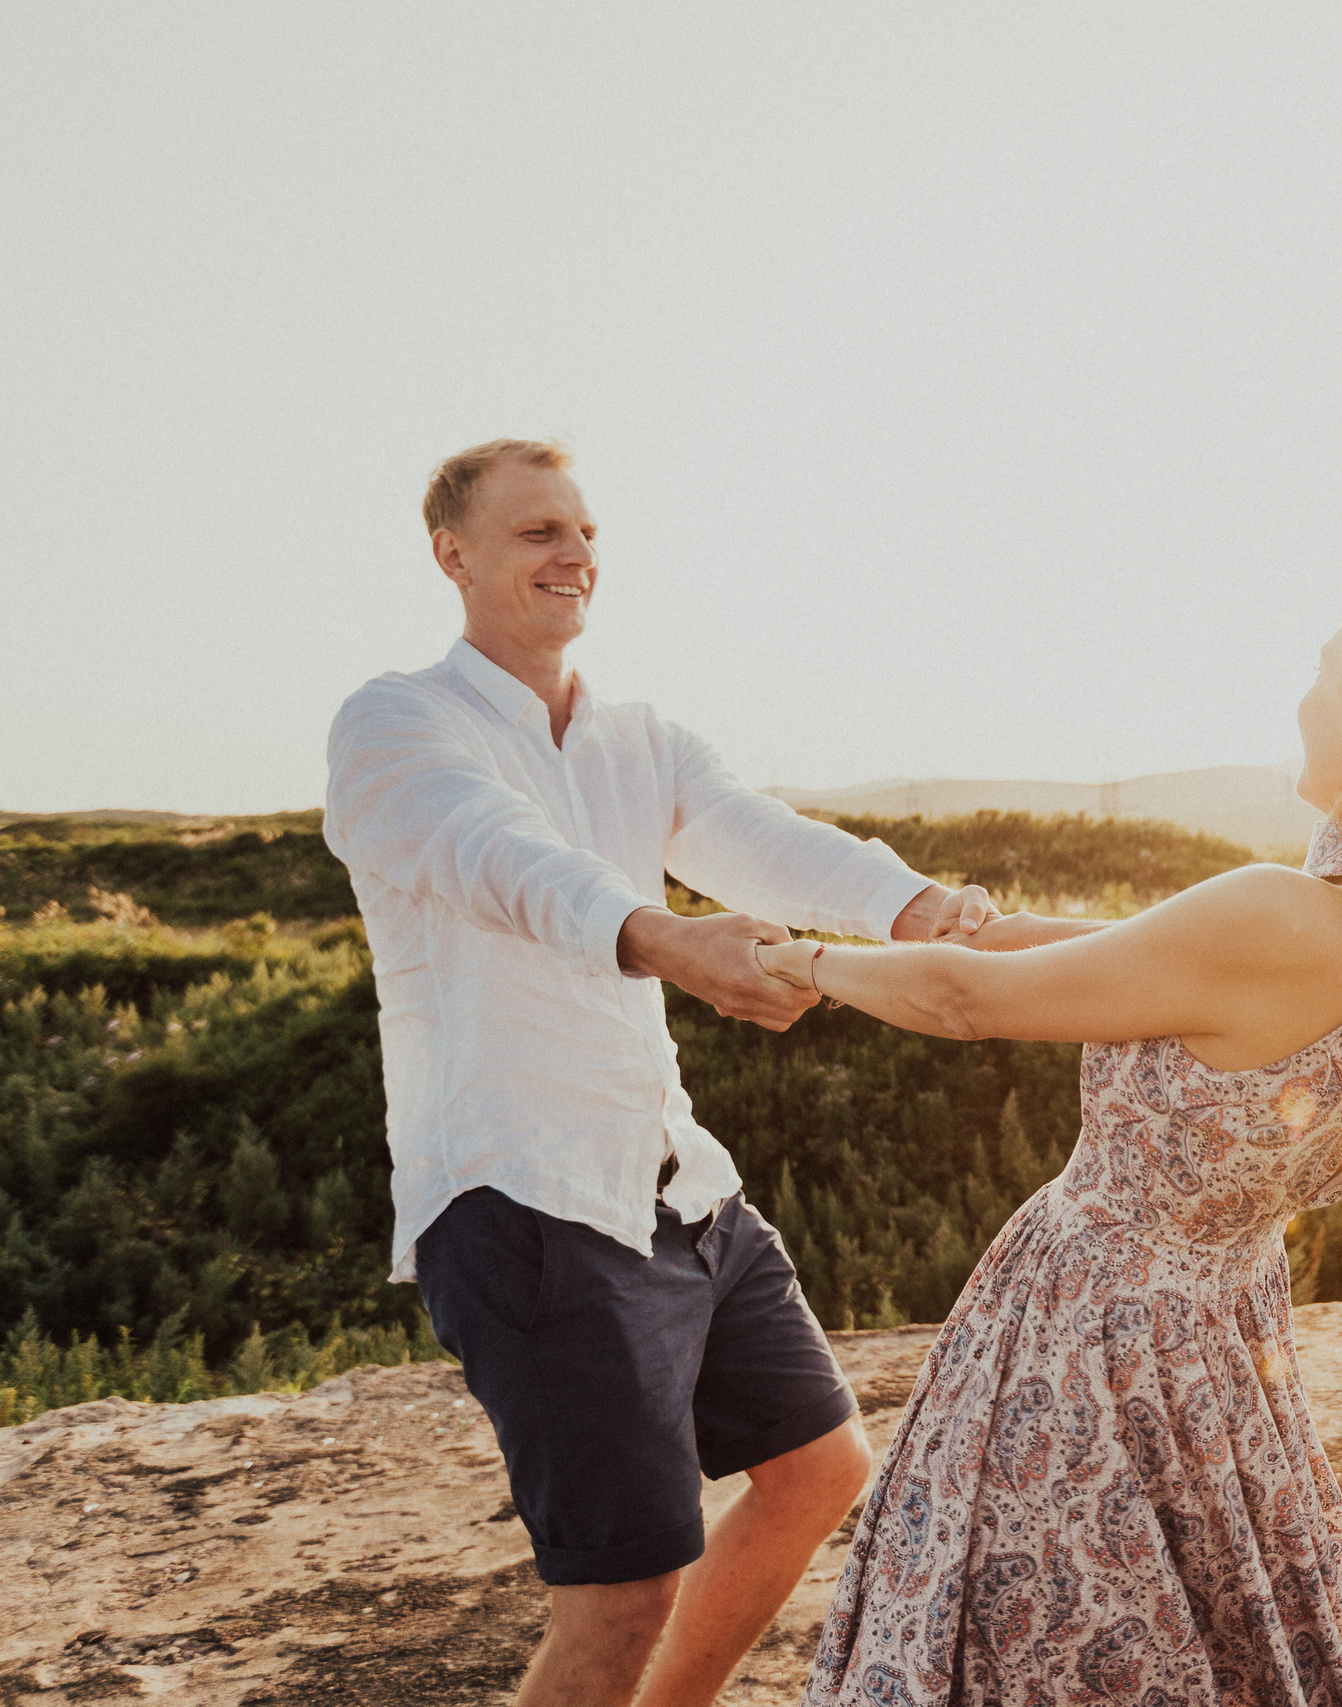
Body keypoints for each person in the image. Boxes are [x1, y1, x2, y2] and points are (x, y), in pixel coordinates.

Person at [775, 578, 1342, 1705]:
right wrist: (959, 919)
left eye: (1328, 672)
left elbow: (966, 1005)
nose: (1302, 696)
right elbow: (1131, 956)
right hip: (1213, 1345)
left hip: (1090, 1334)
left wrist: (801, 964)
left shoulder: (1278, 916)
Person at [323, 439, 998, 1707]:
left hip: (678, 1187)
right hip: (525, 1202)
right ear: (452, 555)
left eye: (582, 531)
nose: (572, 554)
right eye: (535, 533)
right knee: (621, 1591)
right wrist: (667, 940)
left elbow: (764, 842)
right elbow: (497, 855)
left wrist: (919, 909)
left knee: (817, 1468)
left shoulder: (641, 736)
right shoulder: (393, 722)